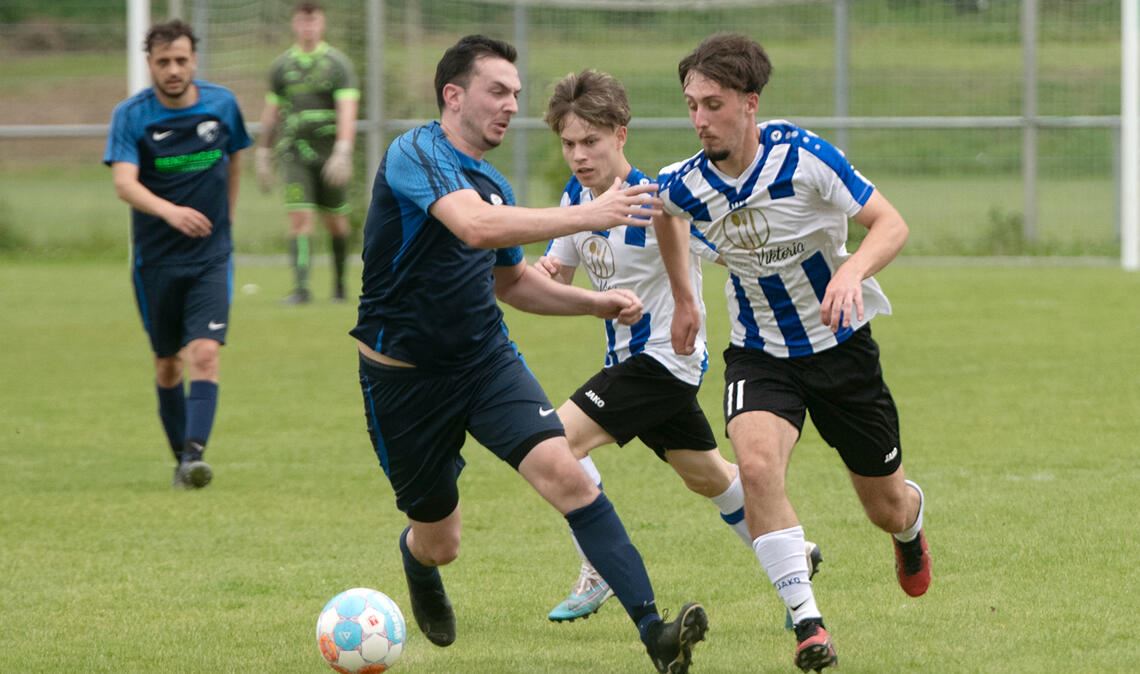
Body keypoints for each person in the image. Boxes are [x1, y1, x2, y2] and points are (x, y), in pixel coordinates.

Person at [351, 35, 708, 673]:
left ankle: (655, 632)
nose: (511, 104)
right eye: (498, 91)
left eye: (515, 93)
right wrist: (587, 216)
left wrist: (595, 303)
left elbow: (511, 283)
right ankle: (417, 560)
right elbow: (476, 227)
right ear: (453, 96)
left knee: (566, 476)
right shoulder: (415, 153)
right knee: (442, 540)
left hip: (485, 362)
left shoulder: (492, 179)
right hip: (402, 379)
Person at [653, 33, 932, 672]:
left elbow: (891, 223)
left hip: (841, 351)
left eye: (713, 104)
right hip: (759, 355)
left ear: (750, 104)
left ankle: (911, 529)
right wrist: (686, 298)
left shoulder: (805, 158)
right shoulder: (686, 182)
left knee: (883, 506)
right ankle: (809, 625)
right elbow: (667, 215)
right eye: (692, 104)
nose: (699, 119)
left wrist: (851, 272)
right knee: (754, 467)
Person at [534, 69, 822, 626]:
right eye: (568, 143)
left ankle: (599, 568)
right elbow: (559, 276)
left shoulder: (658, 201)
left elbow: (731, 247)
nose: (578, 155)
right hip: (630, 364)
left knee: (553, 443)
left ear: (621, 134)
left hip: (664, 361)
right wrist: (540, 269)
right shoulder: (577, 198)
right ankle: (796, 557)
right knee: (708, 475)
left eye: (590, 141)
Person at [104, 19, 252, 489]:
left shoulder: (222, 105)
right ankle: (181, 461)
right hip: (156, 262)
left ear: (194, 60)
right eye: (163, 61)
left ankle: (194, 455)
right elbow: (124, 183)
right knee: (168, 363)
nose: (173, 69)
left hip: (211, 257)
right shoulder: (132, 115)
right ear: (149, 63)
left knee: (204, 354)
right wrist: (171, 212)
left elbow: (235, 160)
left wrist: (224, 222)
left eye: (181, 60)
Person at [256, 1, 358, 304]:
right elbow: (272, 112)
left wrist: (343, 150)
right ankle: (301, 289)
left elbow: (347, 109)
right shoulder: (282, 67)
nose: (308, 27)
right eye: (302, 21)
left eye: (313, 21)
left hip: (329, 156)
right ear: (294, 24)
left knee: (336, 223)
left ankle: (339, 285)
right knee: (300, 219)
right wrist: (263, 151)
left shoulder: (337, 64)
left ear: (322, 24)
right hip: (294, 154)